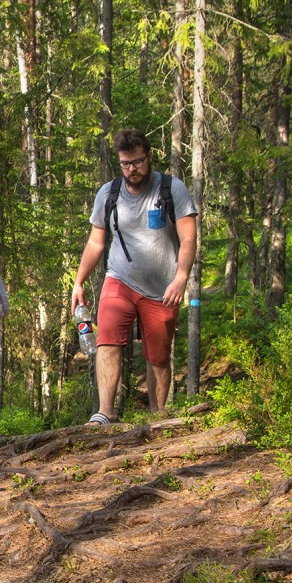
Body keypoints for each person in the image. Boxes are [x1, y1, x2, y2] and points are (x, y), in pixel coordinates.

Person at [71, 128, 200, 424]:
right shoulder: (109, 193)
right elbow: (95, 242)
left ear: (149, 156)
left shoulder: (172, 189)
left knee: (158, 356)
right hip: (120, 279)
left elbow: (188, 238)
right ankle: (105, 412)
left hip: (163, 288)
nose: (132, 169)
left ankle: (157, 417)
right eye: (126, 164)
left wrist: (181, 277)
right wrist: (79, 281)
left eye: (138, 162)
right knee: (107, 339)